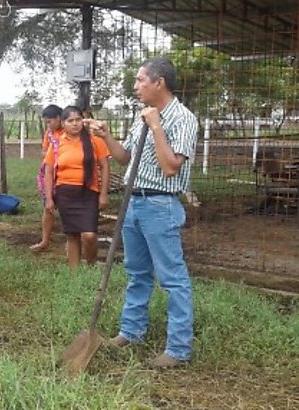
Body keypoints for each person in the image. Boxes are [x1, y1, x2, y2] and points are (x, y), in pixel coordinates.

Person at [87, 57, 198, 368]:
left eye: (140, 80)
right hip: (133, 203)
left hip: (160, 205)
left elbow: (170, 167)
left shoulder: (182, 119)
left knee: (173, 279)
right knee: (137, 274)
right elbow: (124, 159)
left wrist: (156, 126)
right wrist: (105, 136)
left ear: (158, 82)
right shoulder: (142, 117)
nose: (135, 86)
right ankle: (131, 331)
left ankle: (178, 349)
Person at [43, 106, 109, 270]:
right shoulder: (58, 143)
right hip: (65, 193)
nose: (75, 124)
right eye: (70, 121)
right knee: (72, 235)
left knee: (89, 235)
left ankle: (91, 265)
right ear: (63, 123)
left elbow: (105, 167)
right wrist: (49, 198)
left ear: (83, 121)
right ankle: (74, 274)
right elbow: (49, 171)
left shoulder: (95, 140)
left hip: (88, 192)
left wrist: (103, 194)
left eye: (78, 120)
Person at [30, 104, 65, 252]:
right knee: (48, 206)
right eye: (46, 122)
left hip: (65, 173)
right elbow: (45, 150)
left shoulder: (68, 132)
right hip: (50, 172)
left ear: (58, 118)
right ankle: (45, 240)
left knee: (67, 209)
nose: (48, 125)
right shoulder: (49, 133)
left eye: (49, 121)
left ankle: (71, 241)